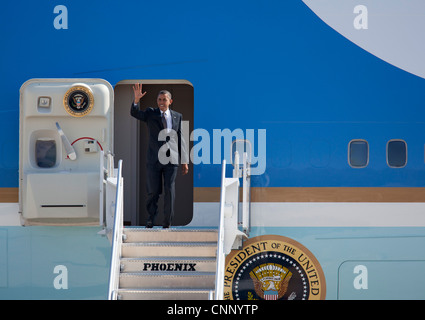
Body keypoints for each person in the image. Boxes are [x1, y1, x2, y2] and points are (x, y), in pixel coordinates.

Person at [131, 83, 189, 228]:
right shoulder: (151, 113)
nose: (161, 102)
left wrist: (184, 160)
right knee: (153, 191)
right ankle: (151, 219)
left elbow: (181, 138)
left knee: (170, 190)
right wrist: (136, 101)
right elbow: (135, 113)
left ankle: (167, 222)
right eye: (159, 100)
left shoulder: (177, 116)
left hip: (172, 159)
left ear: (170, 101)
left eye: (164, 99)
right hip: (154, 160)